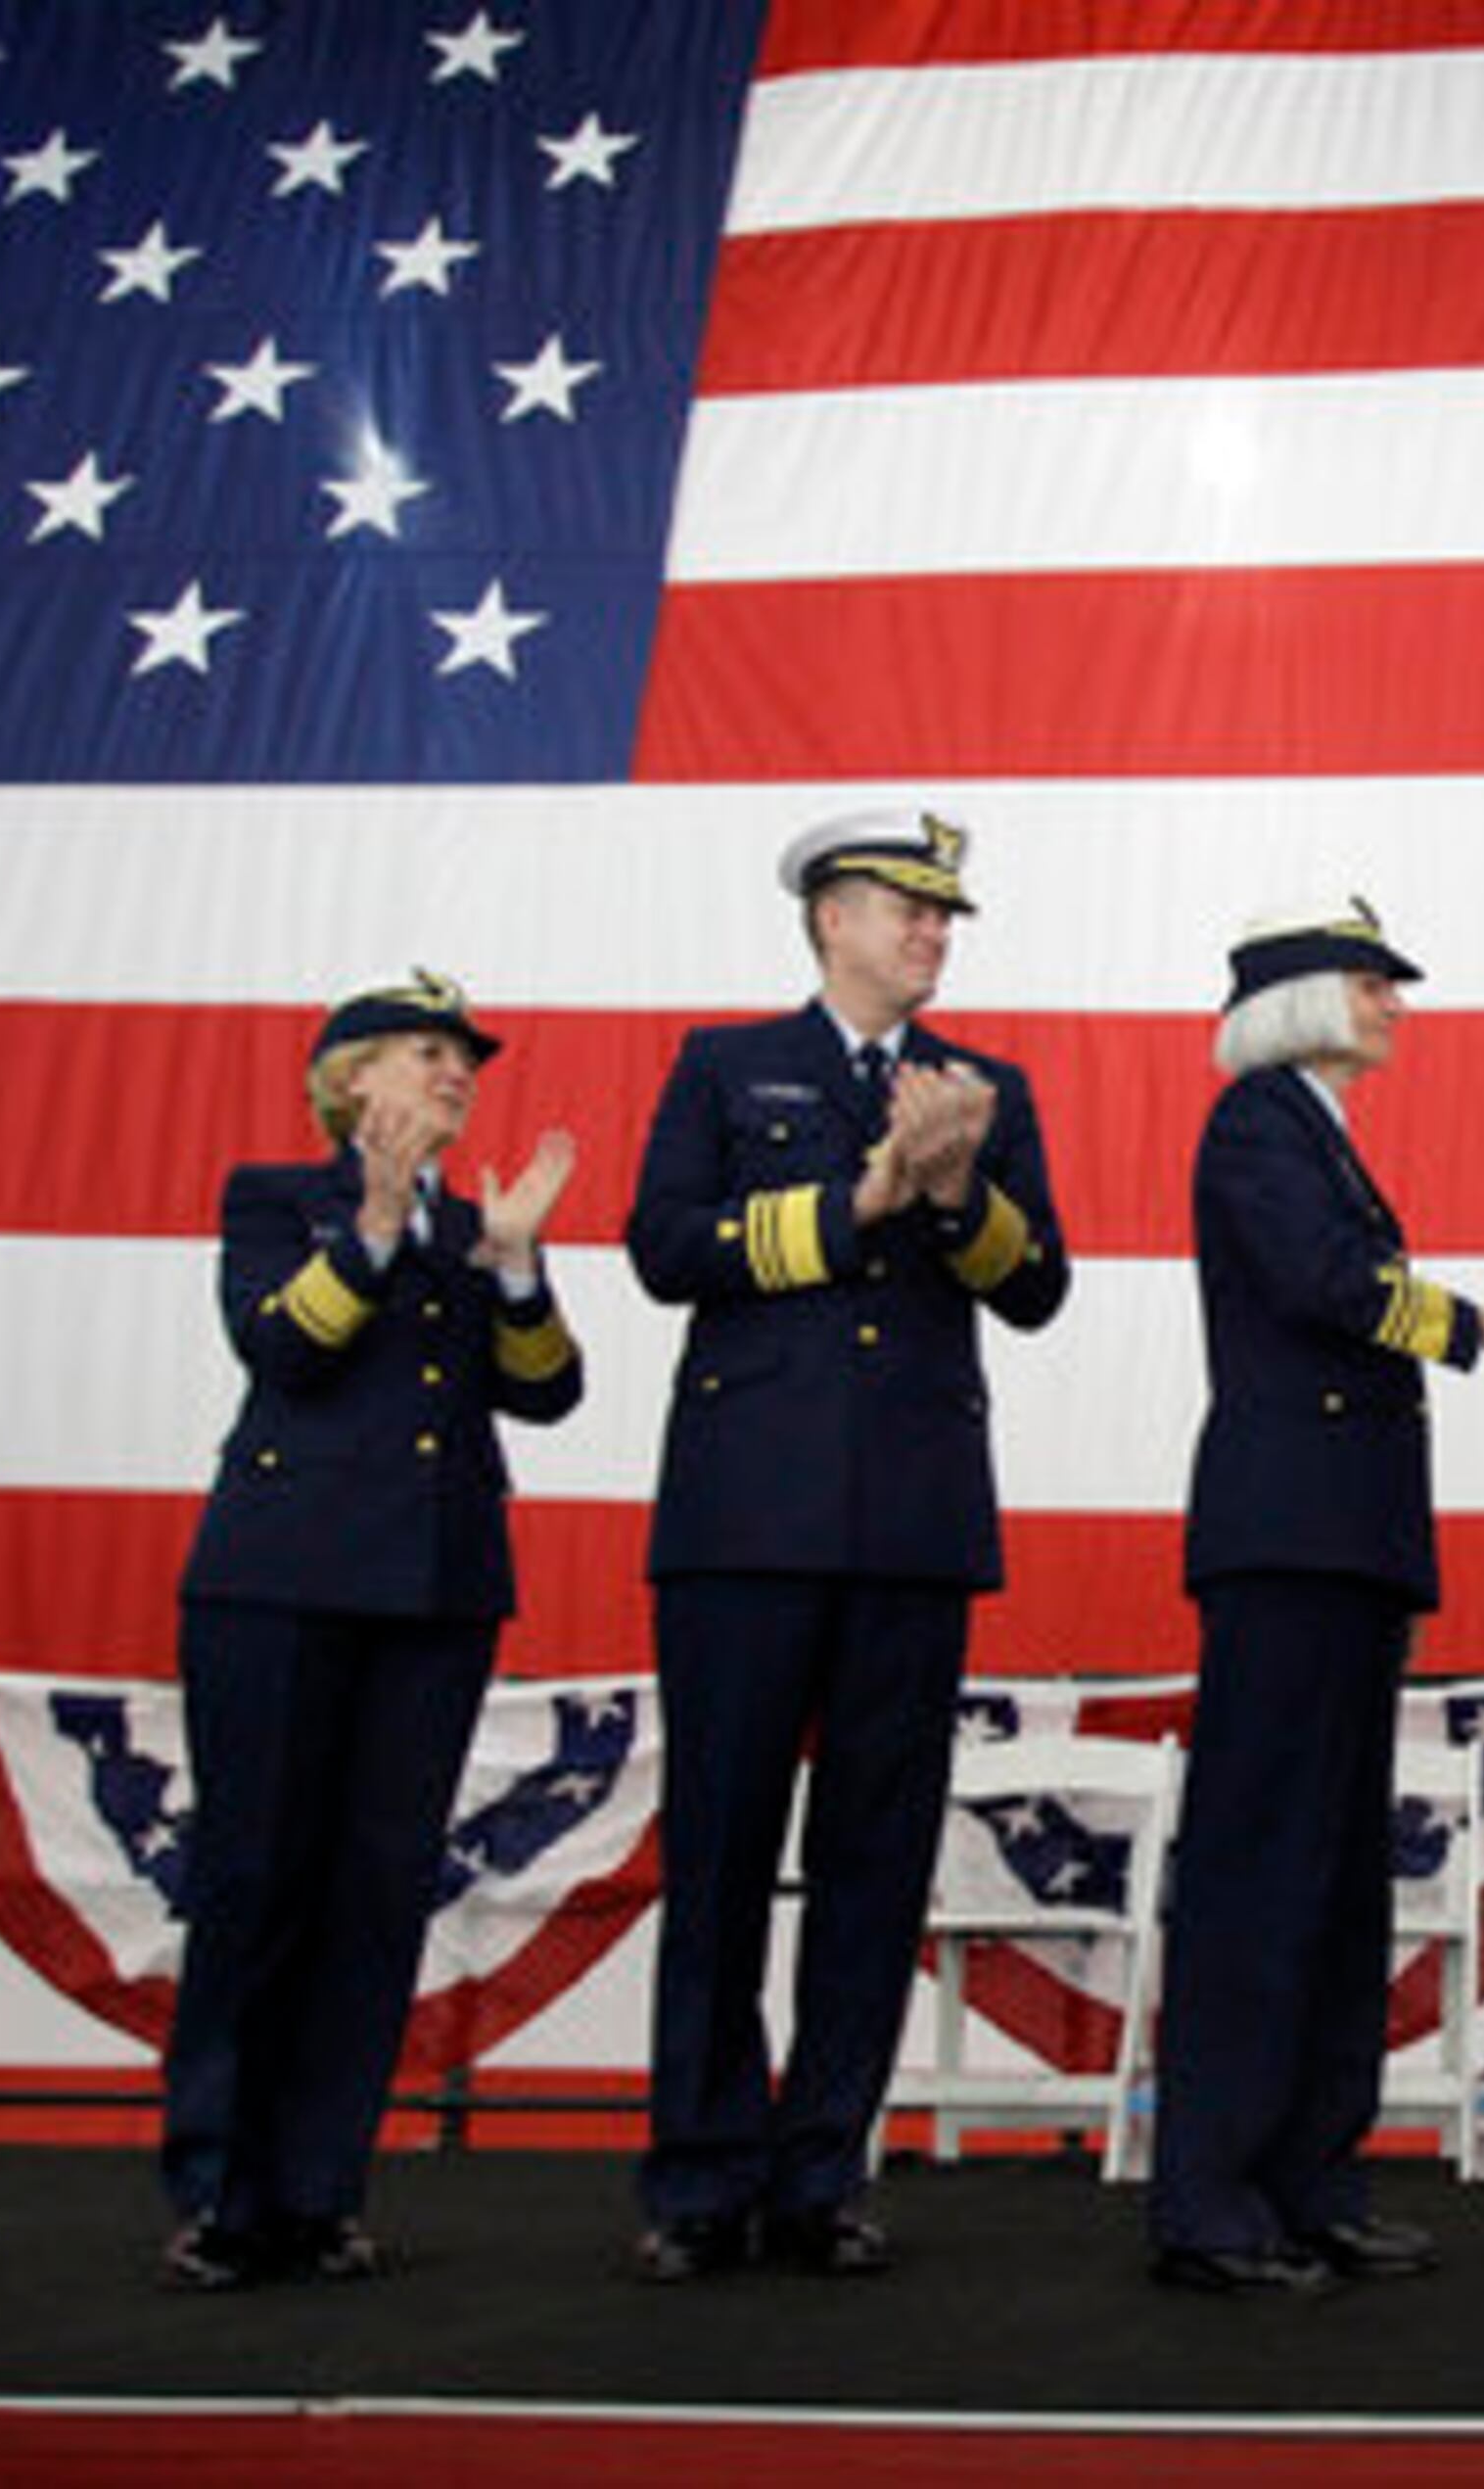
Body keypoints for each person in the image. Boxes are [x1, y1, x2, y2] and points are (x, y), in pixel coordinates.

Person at [626, 810, 1071, 2279]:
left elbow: (1039, 1285)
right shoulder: (722, 1062)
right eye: (908, 909)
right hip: (746, 1520)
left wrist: (954, 1196)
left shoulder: (983, 1089)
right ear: (831, 917)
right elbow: (665, 1247)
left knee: (875, 1863)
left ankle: (820, 2171)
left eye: (948, 915)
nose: (936, 932)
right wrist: (854, 1201)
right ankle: (699, 2179)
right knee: (724, 1856)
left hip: (911, 1523)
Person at [1148, 900, 1484, 2295]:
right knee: (1258, 1866)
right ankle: (1212, 2196)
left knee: (1332, 1880)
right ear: (1295, 997)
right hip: (1288, 1538)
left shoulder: (1318, 1137)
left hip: (1345, 1540)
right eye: (1372, 978)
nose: (1397, 1000)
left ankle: (1310, 2177)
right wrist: (1478, 1329)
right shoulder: (1258, 1125)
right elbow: (1328, 1282)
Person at [160, 970, 582, 2288]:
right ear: (349, 1080)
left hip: (435, 1587)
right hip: (282, 1582)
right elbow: (284, 1351)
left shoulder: (481, 1221)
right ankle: (221, 2191)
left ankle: (320, 2187)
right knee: (258, 1880)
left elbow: (552, 1390)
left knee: (374, 1893)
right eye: (422, 1052)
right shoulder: (274, 1198)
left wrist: (514, 1264)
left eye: (463, 1058)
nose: (454, 1073)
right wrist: (378, 1221)